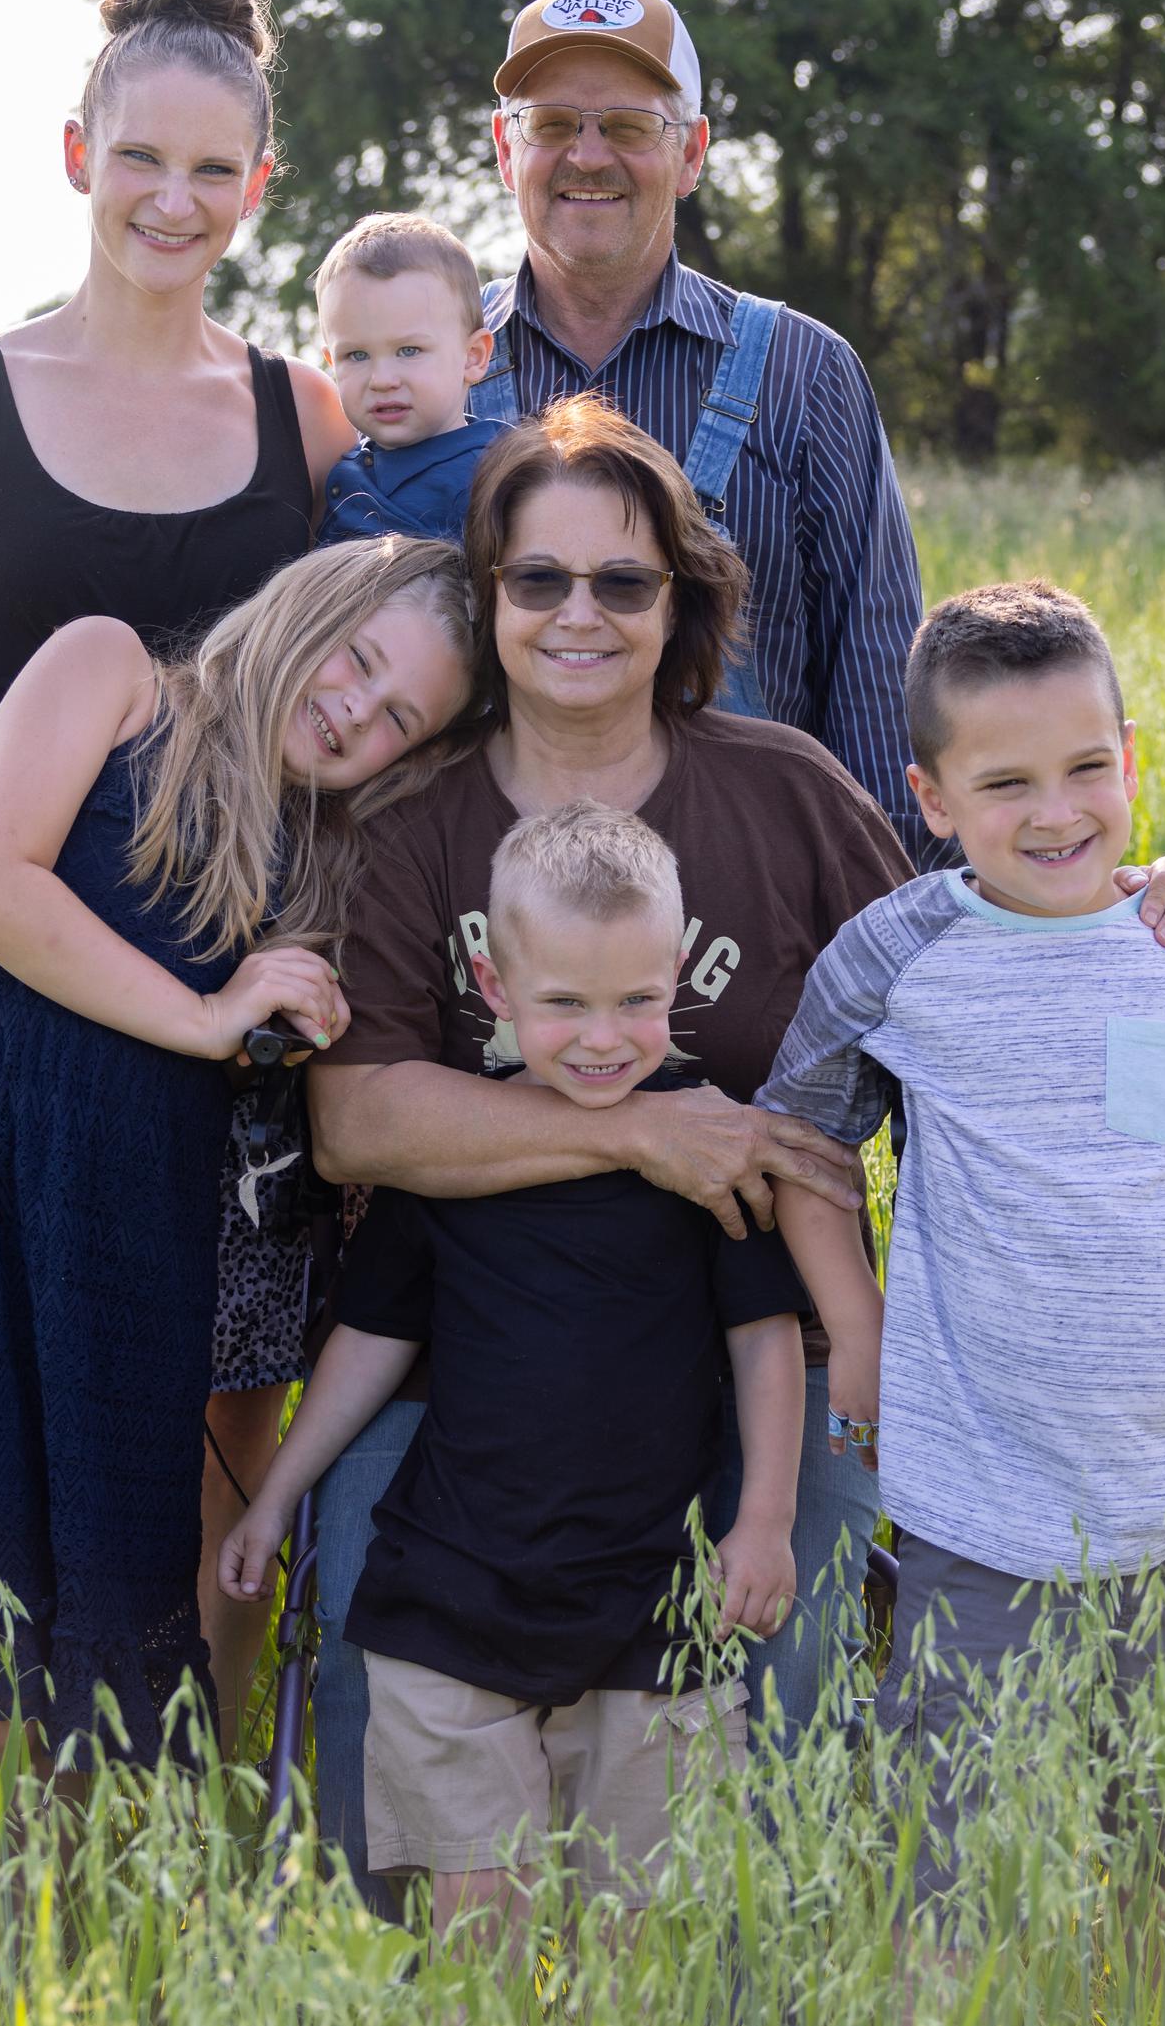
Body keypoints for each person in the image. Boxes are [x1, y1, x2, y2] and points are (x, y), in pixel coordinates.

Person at [302, 403, 1165, 1905]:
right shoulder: (414, 820)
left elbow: (986, 964)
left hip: (765, 1368)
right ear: (486, 597)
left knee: (762, 1780)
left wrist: (1156, 899)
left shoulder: (788, 793)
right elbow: (357, 1115)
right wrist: (650, 1131)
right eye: (537, 579)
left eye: (625, 581)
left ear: (681, 601)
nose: (578, 615)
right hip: (462, 1371)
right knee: (394, 1794)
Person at [0, 0, 352, 1741]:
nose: (173, 200)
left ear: (260, 189)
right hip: (11, 1001)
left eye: (214, 171)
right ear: (75, 156)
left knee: (209, 1490)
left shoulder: (306, 418)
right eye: (141, 160)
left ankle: (179, 1880)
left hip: (246, 1034)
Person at [0, 540, 477, 1862]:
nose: (352, 712)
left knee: (107, 1622)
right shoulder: (110, 674)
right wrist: (211, 1016)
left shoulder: (317, 866)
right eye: (358, 661)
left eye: (398, 720)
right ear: (310, 604)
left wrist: (294, 1004)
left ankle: (93, 1948)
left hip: (127, 1244)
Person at [753, 580, 1165, 1943]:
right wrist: (854, 1328)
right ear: (931, 796)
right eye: (1007, 781)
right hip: (979, 1502)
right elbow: (797, 1143)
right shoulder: (900, 954)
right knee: (961, 1873)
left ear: (1133, 758)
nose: (1057, 811)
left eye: (1088, 767)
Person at [221, 803, 801, 1951]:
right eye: (565, 1003)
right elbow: (372, 1340)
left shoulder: (700, 1148)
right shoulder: (458, 1156)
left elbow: (765, 1338)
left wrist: (769, 1518)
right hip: (457, 1588)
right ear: (492, 979)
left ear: (678, 972)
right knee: (474, 1919)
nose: (602, 1037)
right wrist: (281, 1490)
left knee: (636, 1936)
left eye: (637, 999)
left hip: (652, 1599)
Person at [467, 0, 929, 844]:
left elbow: (880, 698)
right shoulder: (425, 379)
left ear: (692, 153)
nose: (589, 155)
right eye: (553, 124)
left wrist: (880, 932)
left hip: (758, 924)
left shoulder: (806, 373)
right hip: (481, 929)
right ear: (504, 148)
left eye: (632, 126)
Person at [314, 213, 504, 544]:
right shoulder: (341, 470)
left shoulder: (495, 477)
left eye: (409, 351)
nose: (382, 380)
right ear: (331, 362)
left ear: (473, 356)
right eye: (357, 355)